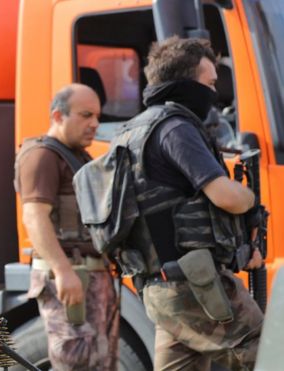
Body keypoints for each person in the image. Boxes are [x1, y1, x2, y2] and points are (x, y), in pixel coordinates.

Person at [114, 36, 263, 370]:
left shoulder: (132, 130)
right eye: (209, 84)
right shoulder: (174, 128)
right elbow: (225, 195)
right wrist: (250, 198)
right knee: (267, 351)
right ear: (185, 85)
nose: (214, 94)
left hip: (161, 288)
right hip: (196, 284)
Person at [14, 84, 119, 371]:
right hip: (73, 275)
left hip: (91, 276)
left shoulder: (76, 157)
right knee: (76, 362)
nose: (95, 123)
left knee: (100, 365)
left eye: (97, 116)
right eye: (86, 115)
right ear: (58, 115)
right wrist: (62, 271)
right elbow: (34, 217)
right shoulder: (41, 156)